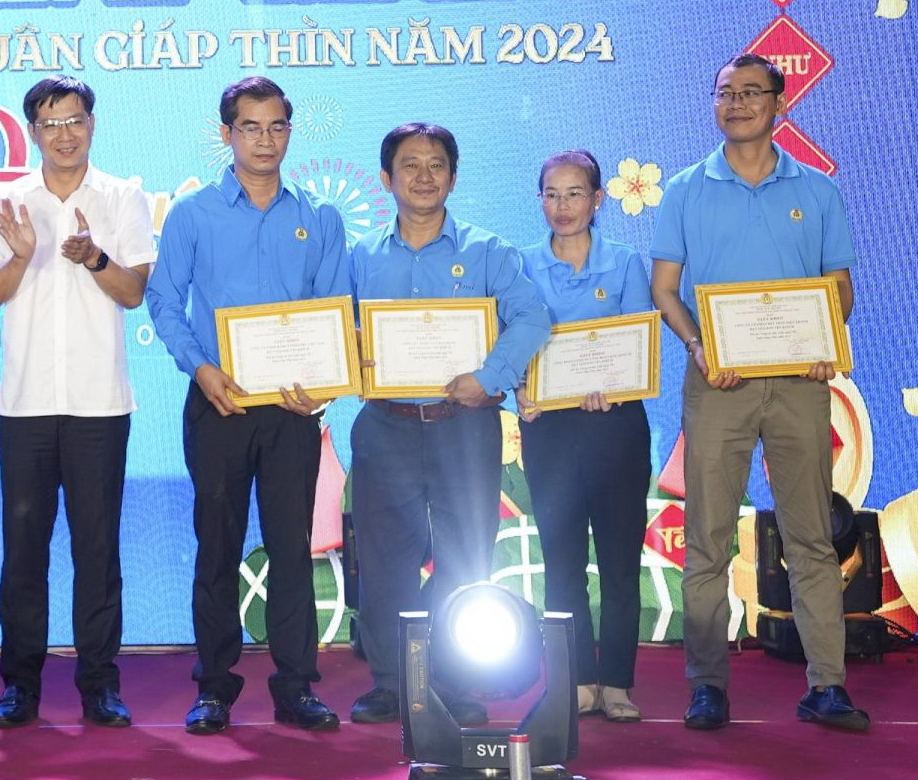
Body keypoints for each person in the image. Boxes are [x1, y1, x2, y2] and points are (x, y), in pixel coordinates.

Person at [651, 54, 868, 733]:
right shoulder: (685, 190)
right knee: (708, 539)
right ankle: (707, 685)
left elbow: (839, 288)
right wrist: (697, 345)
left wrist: (824, 341)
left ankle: (827, 685)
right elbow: (664, 289)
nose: (738, 103)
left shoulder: (818, 190)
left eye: (752, 92)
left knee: (811, 537)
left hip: (800, 385)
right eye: (726, 93)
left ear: (781, 102)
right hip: (717, 381)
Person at [145, 76, 349, 736]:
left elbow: (336, 308)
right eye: (251, 127)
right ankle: (213, 687)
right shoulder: (193, 214)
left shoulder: (320, 217)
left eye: (276, 126)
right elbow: (163, 300)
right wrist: (200, 367)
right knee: (217, 547)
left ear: (290, 131)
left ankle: (296, 687)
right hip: (219, 402)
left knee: (291, 548)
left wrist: (323, 383)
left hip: (292, 411)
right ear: (226, 133)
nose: (265, 140)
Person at [346, 122, 551, 726]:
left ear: (454, 178)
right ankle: (391, 683)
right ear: (386, 179)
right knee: (385, 560)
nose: (423, 176)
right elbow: (333, 327)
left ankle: (454, 679)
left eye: (436, 164)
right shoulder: (360, 257)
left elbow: (532, 318)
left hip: (465, 424)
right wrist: (348, 360)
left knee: (465, 555)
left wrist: (489, 377)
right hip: (385, 426)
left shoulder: (488, 252)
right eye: (409, 165)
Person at [0, 77, 155, 731]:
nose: (64, 134)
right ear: (32, 132)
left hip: (99, 406)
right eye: (50, 124)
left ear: (92, 124)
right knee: (23, 552)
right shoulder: (5, 203)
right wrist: (24, 256)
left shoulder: (123, 198)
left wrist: (95, 257)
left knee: (96, 551)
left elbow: (133, 292)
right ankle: (19, 686)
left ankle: (99, 684)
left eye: (74, 120)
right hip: (25, 406)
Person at [515, 151, 654, 723]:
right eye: (551, 194)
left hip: (615, 427)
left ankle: (617, 683)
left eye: (575, 194)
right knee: (562, 563)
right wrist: (521, 388)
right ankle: (575, 681)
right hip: (550, 430)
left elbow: (637, 344)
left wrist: (615, 385)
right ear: (540, 200)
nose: (562, 206)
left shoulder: (625, 263)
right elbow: (512, 341)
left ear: (598, 200)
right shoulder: (520, 265)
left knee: (620, 562)